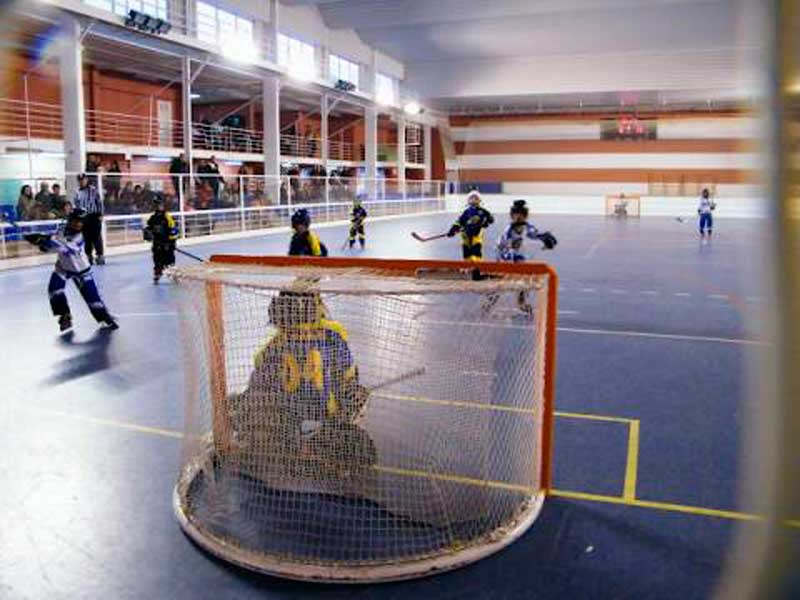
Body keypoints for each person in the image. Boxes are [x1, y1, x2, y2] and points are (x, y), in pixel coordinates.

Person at [229, 289, 374, 481]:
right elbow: (349, 379)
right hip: (323, 420)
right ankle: (319, 453)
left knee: (238, 406)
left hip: (291, 422)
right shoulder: (334, 336)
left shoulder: (272, 348)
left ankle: (299, 451)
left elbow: (258, 389)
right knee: (357, 413)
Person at [23, 209, 118, 333]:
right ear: (70, 220)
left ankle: (104, 317)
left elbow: (66, 248)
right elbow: (55, 244)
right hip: (63, 267)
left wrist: (44, 239)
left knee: (93, 300)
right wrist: (43, 244)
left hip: (81, 271)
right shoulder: (61, 229)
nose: (78, 224)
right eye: (76, 221)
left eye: (81, 222)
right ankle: (65, 315)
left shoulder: (80, 237)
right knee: (54, 290)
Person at [494, 199, 558, 314]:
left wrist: (546, 239)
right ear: (512, 216)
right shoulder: (508, 230)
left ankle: (521, 303)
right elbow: (504, 247)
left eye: (521, 216)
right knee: (502, 280)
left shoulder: (527, 227)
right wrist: (509, 257)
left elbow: (535, 234)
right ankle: (492, 298)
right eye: (515, 215)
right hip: (504, 256)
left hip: (517, 256)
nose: (518, 218)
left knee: (523, 279)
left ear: (525, 216)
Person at [446, 190, 494, 261]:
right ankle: (467, 267)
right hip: (466, 236)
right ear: (468, 200)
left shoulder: (483, 211)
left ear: (479, 200)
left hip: (476, 236)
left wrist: (486, 222)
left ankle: (477, 267)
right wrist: (453, 230)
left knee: (476, 252)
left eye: (476, 198)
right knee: (466, 253)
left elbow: (491, 219)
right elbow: (459, 222)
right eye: (471, 198)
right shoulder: (466, 212)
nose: (473, 200)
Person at [143, 195, 179, 284]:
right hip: (157, 244)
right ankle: (157, 274)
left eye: (159, 204)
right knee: (157, 260)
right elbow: (149, 228)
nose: (157, 206)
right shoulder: (153, 218)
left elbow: (174, 231)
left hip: (167, 244)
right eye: (155, 204)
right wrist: (148, 233)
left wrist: (171, 243)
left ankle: (174, 275)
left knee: (169, 261)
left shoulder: (167, 217)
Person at [73, 173, 105, 265]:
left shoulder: (93, 190)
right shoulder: (77, 192)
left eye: (83, 180)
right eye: (80, 180)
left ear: (86, 180)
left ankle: (100, 255)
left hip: (94, 216)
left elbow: (99, 202)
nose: (82, 182)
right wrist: (77, 218)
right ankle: (88, 256)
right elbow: (77, 205)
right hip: (84, 217)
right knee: (86, 238)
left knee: (96, 237)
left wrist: (101, 214)